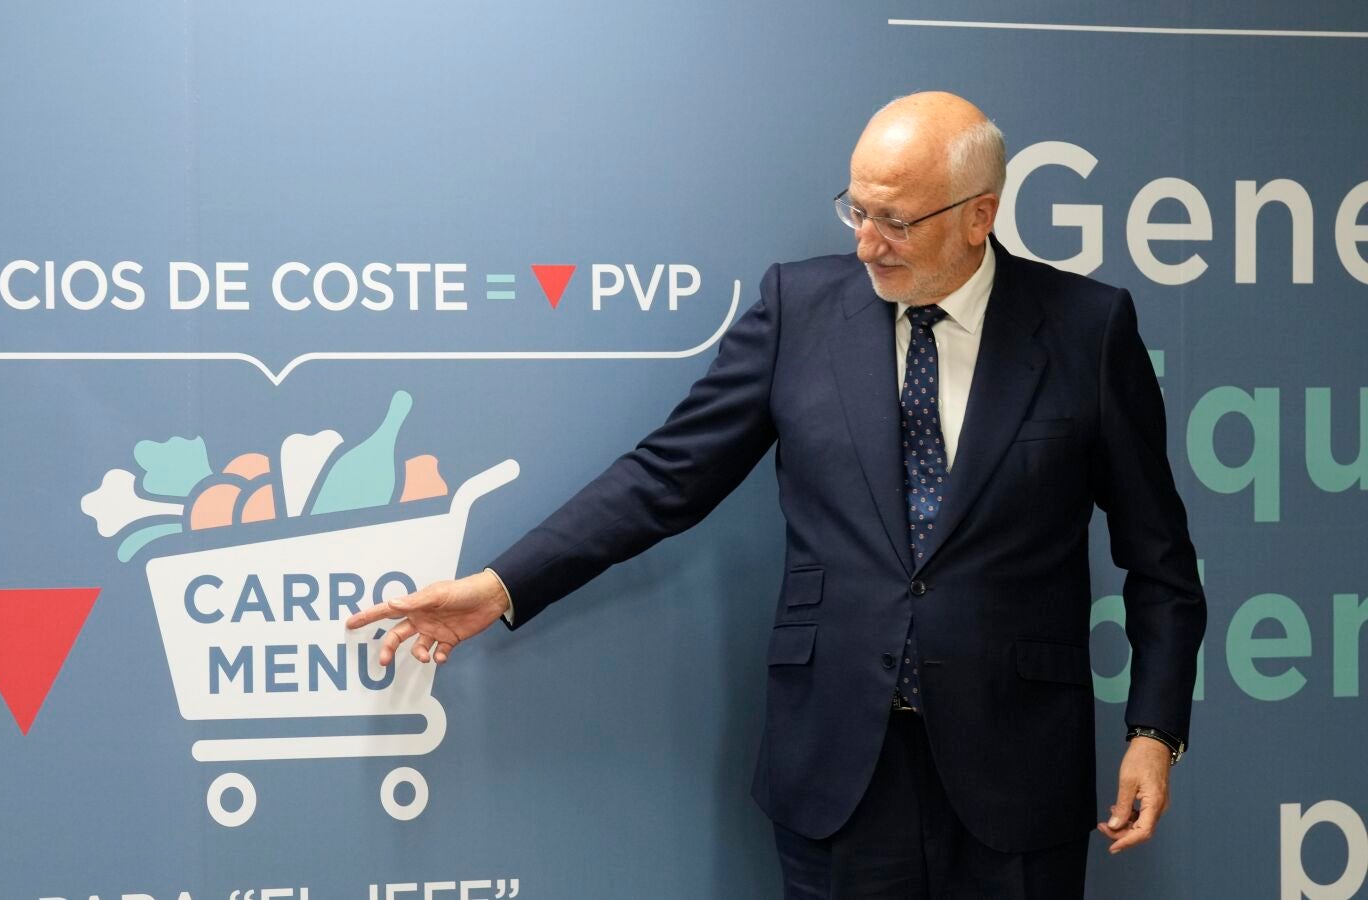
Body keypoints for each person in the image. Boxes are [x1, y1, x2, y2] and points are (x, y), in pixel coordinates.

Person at [347, 91, 1206, 898]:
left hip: (1017, 771)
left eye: (896, 221)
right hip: (837, 770)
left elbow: (1160, 563)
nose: (868, 244)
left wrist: (1154, 732)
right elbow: (666, 475)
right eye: (857, 212)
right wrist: (500, 586)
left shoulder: (1088, 329)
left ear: (979, 216)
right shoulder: (799, 309)